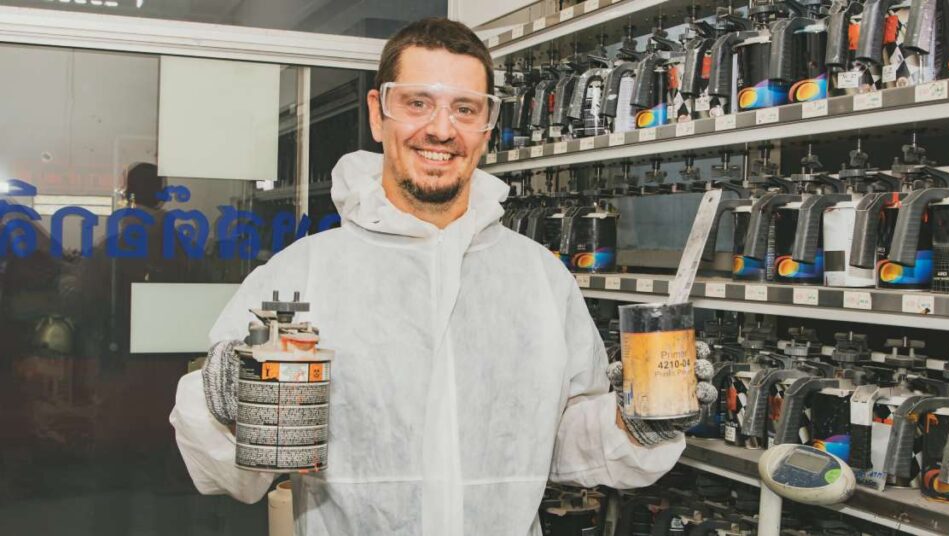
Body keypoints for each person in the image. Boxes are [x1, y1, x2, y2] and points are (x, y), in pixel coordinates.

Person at [169, 17, 712, 536]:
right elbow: (236, 476)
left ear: (486, 126)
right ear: (379, 114)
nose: (441, 128)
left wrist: (637, 424)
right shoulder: (303, 275)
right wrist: (222, 405)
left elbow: (564, 443)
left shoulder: (538, 279)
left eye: (465, 108)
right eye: (417, 103)